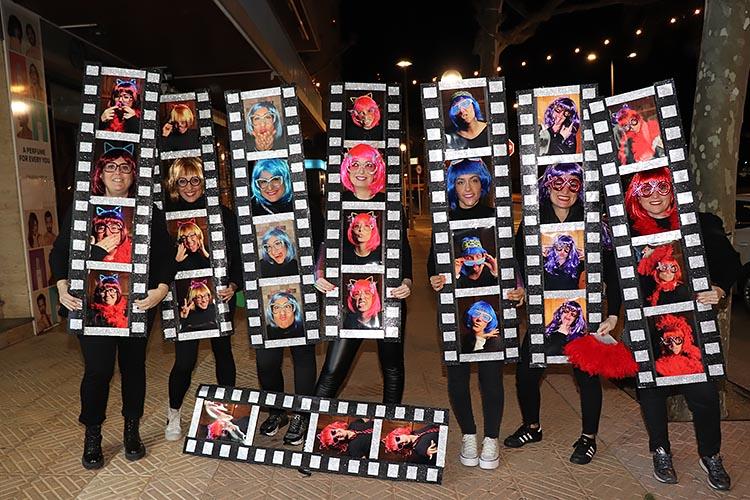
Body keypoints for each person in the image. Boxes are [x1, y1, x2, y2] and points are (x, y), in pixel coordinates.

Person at [50, 143, 174, 470]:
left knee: (133, 368)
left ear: (134, 175)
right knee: (98, 370)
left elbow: (165, 256)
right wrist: (61, 286)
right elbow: (60, 251)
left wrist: (160, 290)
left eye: (125, 167)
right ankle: (92, 434)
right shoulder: (83, 208)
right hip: (91, 305)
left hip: (137, 304)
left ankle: (132, 430)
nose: (118, 173)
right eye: (111, 167)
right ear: (100, 174)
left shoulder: (148, 211)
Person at [622, 169, 741, 491]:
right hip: (648, 328)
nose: (655, 196)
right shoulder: (625, 233)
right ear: (635, 197)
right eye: (646, 190)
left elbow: (730, 262)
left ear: (673, 191)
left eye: (662, 187)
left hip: (692, 327)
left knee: (704, 395)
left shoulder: (698, 223)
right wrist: (610, 315)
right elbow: (614, 277)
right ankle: (660, 451)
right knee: (651, 393)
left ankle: (710, 454)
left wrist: (719, 288)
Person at [503, 161, 622, 466]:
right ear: (547, 186)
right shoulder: (533, 218)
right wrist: (521, 288)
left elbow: (612, 269)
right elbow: (518, 259)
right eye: (558, 183)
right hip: (545, 312)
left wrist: (613, 313)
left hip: (585, 312)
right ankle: (532, 427)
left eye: (573, 184)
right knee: (526, 372)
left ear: (582, 188)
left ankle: (588, 438)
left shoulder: (592, 219)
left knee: (587, 375)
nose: (565, 191)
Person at [428, 158, 520, 470]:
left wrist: (517, 287)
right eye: (460, 181)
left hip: (492, 308)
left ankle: (491, 438)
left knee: (491, 377)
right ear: (452, 186)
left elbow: (513, 263)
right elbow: (432, 265)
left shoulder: (497, 217)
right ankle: (469, 434)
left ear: (483, 184)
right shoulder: (444, 220)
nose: (468, 188)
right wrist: (437, 279)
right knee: (457, 376)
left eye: (474, 180)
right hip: (455, 311)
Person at [161, 155, 240, 442]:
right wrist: (174, 261)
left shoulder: (221, 214)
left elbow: (238, 254)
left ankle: (226, 415)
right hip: (182, 300)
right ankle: (173, 412)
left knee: (223, 353)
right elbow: (155, 263)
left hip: (218, 296)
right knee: (184, 361)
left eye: (195, 180)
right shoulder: (166, 216)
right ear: (174, 184)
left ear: (203, 182)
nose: (190, 187)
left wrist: (234, 284)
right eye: (183, 181)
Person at [625, 167, 679, 237]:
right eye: (647, 189)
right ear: (638, 198)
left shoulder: (690, 219)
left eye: (662, 188)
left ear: (672, 194)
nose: (655, 196)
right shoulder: (628, 233)